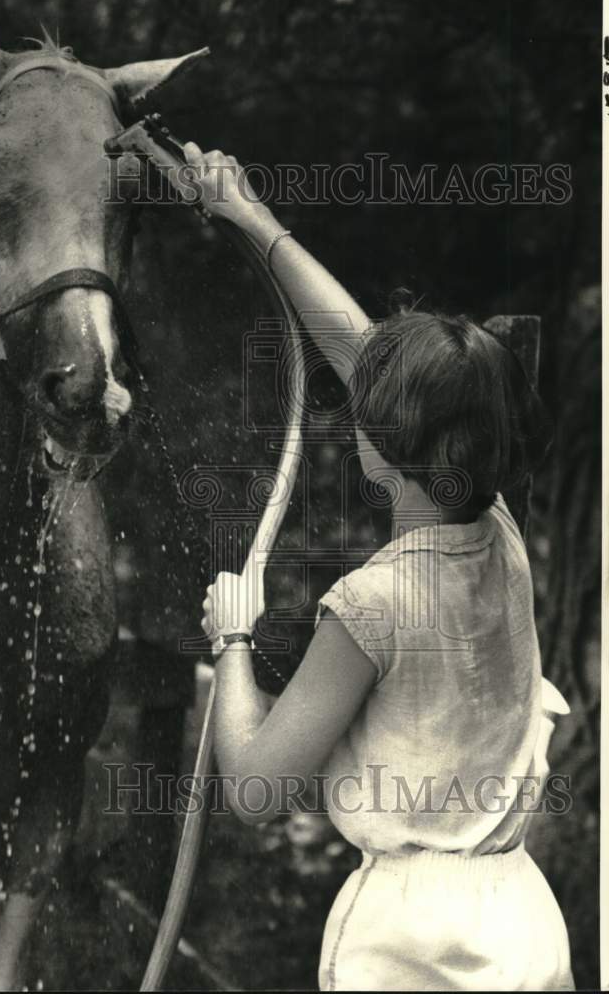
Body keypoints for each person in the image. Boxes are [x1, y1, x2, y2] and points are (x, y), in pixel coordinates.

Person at [182, 141, 574, 991]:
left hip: (412, 952)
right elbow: (359, 350)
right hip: (519, 924)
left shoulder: (374, 605)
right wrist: (250, 215)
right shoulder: (496, 526)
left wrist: (234, 641)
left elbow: (252, 789)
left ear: (376, 450)